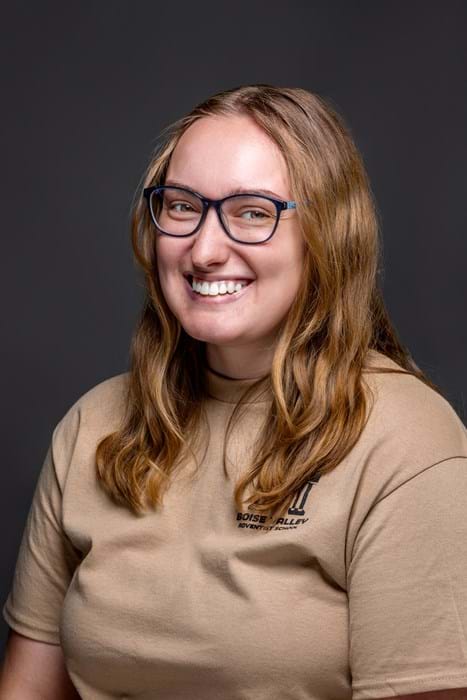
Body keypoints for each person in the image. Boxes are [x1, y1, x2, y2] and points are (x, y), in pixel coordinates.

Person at [1, 84, 466, 700]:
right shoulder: (94, 425)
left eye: (252, 212)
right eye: (182, 206)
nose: (204, 250)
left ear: (329, 233)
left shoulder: (407, 443)